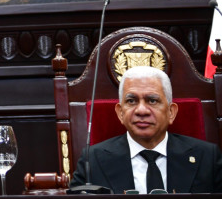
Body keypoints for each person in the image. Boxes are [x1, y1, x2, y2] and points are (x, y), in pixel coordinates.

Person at [70, 65, 222, 194]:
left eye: (152, 100)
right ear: (120, 113)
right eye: (131, 101)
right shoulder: (93, 160)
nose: (141, 110)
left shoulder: (207, 157)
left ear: (171, 112)